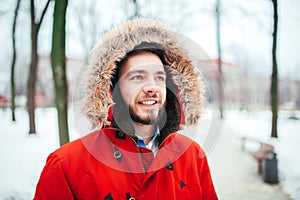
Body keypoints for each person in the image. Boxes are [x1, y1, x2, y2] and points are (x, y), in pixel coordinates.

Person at [34, 18, 218, 200]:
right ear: (111, 89)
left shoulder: (193, 156)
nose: (151, 87)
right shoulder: (66, 165)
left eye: (159, 78)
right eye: (138, 77)